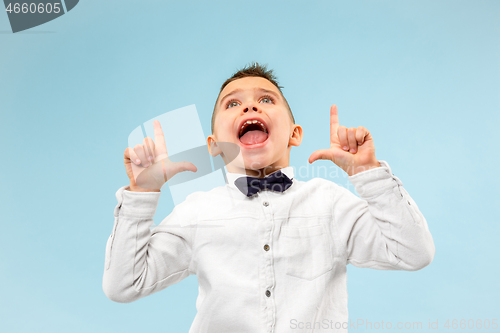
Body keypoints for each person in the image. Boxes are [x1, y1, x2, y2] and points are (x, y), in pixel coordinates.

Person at [102, 62, 435, 333]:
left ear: (295, 134)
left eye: (266, 100)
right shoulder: (197, 212)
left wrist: (369, 173)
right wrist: (142, 193)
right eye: (232, 103)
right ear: (214, 145)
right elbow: (124, 285)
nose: (249, 105)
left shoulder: (332, 203)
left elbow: (413, 252)